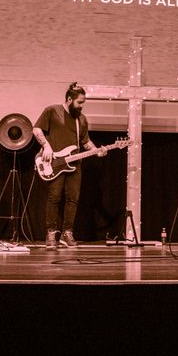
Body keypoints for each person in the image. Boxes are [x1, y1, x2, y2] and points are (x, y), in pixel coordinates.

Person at [33, 83, 105, 249]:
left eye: (83, 103)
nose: (81, 106)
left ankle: (67, 233)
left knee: (73, 199)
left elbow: (85, 141)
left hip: (75, 164)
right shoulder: (52, 111)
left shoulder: (81, 119)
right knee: (54, 198)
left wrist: (97, 151)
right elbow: (37, 129)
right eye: (79, 102)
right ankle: (51, 234)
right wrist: (47, 146)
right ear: (69, 99)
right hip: (55, 163)